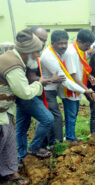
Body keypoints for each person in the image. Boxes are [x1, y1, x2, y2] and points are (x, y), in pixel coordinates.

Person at [0, 29, 49, 185]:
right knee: (2, 140)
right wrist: (39, 84)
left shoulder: (14, 57)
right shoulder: (14, 65)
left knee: (8, 143)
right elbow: (25, 93)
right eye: (36, 52)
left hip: (5, 109)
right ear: (27, 52)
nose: (37, 56)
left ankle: (9, 172)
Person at [16, 27, 65, 163]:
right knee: (47, 119)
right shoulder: (28, 54)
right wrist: (51, 80)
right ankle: (34, 147)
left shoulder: (33, 53)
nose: (42, 43)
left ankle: (22, 158)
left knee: (22, 128)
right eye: (39, 39)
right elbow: (31, 78)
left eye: (44, 40)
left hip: (26, 94)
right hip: (26, 95)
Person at [41, 30, 93, 145]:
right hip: (47, 91)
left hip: (53, 90)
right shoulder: (49, 56)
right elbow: (65, 79)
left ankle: (52, 143)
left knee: (51, 118)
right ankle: (56, 144)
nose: (63, 46)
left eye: (65, 43)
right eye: (60, 43)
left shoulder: (60, 52)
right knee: (54, 118)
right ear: (52, 42)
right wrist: (85, 90)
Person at [61, 29, 95, 141]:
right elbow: (73, 76)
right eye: (87, 44)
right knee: (71, 115)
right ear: (80, 41)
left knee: (74, 114)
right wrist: (86, 90)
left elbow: (80, 67)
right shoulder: (71, 52)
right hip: (70, 89)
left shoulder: (80, 50)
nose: (89, 47)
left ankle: (71, 136)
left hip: (77, 88)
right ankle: (70, 138)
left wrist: (88, 75)